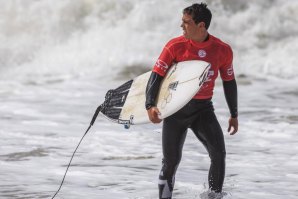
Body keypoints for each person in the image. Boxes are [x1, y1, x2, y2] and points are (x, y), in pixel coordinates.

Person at [145, 3, 238, 199]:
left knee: (219, 155)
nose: (182, 26)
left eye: (186, 23)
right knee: (170, 161)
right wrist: (150, 105)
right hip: (176, 110)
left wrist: (234, 114)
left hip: (203, 109)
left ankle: (213, 196)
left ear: (201, 26)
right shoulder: (175, 46)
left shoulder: (222, 50)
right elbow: (156, 75)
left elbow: (229, 81)